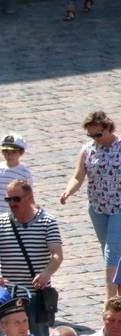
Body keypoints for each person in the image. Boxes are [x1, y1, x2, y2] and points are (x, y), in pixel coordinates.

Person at [0, 179, 65, 336]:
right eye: (8, 199)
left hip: (35, 295)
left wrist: (46, 273)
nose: (12, 203)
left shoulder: (47, 221)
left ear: (29, 197)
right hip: (8, 296)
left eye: (16, 199)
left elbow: (57, 254)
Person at [62, 112, 121, 296]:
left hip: (119, 206)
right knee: (109, 252)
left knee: (113, 251)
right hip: (98, 207)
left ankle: (110, 302)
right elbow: (78, 176)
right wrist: (68, 191)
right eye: (91, 135)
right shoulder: (88, 149)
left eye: (98, 134)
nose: (95, 138)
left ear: (109, 128)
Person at [0, 134, 34, 265]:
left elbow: (29, 199)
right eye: (6, 152)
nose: (9, 155)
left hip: (16, 218)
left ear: (21, 152)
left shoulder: (24, 173)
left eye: (13, 152)